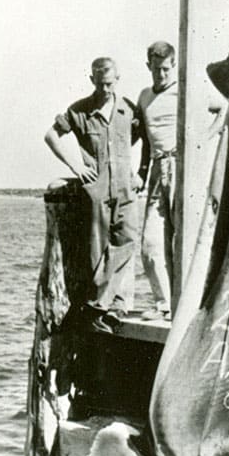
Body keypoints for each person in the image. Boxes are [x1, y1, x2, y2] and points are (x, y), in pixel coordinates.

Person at [45, 57, 141, 330]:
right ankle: (102, 309)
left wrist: (140, 171)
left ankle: (107, 306)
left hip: (124, 189)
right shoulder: (79, 111)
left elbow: (142, 137)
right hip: (97, 191)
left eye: (110, 84)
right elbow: (51, 136)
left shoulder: (128, 109)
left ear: (118, 79)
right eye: (100, 84)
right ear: (92, 81)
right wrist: (75, 166)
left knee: (127, 241)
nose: (106, 90)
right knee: (97, 251)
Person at [136, 41, 178, 319]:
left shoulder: (184, 91)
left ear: (173, 66)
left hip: (183, 167)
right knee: (150, 244)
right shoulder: (144, 97)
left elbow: (223, 109)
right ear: (148, 67)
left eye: (165, 69)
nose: (160, 75)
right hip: (156, 170)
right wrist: (141, 171)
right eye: (155, 69)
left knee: (183, 240)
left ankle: (186, 305)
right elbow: (145, 141)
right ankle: (165, 303)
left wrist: (206, 139)